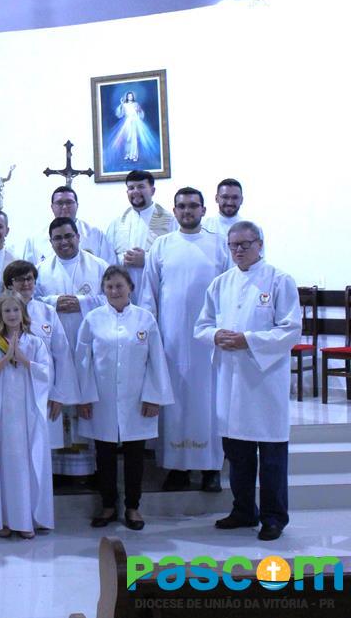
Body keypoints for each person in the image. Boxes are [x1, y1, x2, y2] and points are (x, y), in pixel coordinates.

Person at [195, 221, 301, 541]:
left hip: (264, 379)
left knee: (270, 454)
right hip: (231, 379)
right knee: (237, 452)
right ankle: (243, 509)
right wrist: (215, 335)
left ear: (260, 244)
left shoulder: (280, 280)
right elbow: (201, 325)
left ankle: (273, 516)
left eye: (245, 244)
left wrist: (249, 340)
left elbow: (291, 328)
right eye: (233, 245)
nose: (239, 250)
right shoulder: (220, 283)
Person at [139, 188, 228, 492]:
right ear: (174, 212)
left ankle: (211, 467)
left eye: (193, 206)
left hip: (209, 341)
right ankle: (176, 467)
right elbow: (148, 294)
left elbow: (229, 290)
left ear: (204, 210)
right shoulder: (161, 246)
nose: (187, 211)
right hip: (171, 339)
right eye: (181, 206)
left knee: (209, 401)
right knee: (173, 401)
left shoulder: (219, 247)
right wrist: (151, 337)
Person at [77, 267, 174, 531]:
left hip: (136, 400)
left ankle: (133, 507)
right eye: (109, 287)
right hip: (102, 400)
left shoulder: (145, 320)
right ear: (103, 289)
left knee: (134, 456)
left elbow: (156, 360)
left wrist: (154, 396)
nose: (114, 291)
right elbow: (83, 361)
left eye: (119, 286)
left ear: (130, 287)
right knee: (104, 455)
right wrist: (84, 397)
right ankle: (108, 505)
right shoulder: (93, 319)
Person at [0, 291, 53, 539]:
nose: (11, 315)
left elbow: (46, 374)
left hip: (27, 411)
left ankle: (25, 519)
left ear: (23, 313)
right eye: (6, 311)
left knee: (25, 462)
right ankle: (4, 519)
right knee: (2, 463)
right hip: (2, 412)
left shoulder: (34, 342)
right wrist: (4, 360)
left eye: (15, 310)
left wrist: (25, 361)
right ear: (0, 315)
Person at [34, 217, 108, 479]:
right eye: (58, 238)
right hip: (54, 350)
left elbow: (111, 297)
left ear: (78, 237)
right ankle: (56, 470)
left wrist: (82, 303)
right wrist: (54, 301)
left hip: (89, 347)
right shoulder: (41, 270)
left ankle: (87, 470)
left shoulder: (99, 266)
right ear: (51, 241)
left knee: (88, 403)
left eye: (68, 236)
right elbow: (33, 300)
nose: (64, 242)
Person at [0, 260, 81, 456]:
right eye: (19, 279)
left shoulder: (47, 312)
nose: (26, 284)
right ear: (8, 284)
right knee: (12, 450)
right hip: (9, 394)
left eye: (30, 278)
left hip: (42, 392)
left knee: (41, 449)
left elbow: (62, 355)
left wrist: (58, 394)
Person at [105, 170, 177, 302]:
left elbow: (175, 258)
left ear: (152, 190)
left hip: (157, 291)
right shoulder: (117, 224)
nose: (135, 191)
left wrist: (147, 260)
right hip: (124, 293)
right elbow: (107, 260)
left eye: (141, 187)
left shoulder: (169, 221)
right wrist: (123, 260)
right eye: (131, 188)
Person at [22, 186, 115, 266]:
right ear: (52, 207)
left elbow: (109, 268)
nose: (65, 207)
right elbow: (27, 273)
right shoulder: (35, 240)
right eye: (59, 203)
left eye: (69, 202)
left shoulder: (96, 235)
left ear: (77, 205)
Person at [202, 178, 265, 248]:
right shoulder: (203, 227)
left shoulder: (254, 229)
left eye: (235, 198)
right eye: (225, 197)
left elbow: (259, 258)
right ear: (216, 198)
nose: (230, 202)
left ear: (241, 200)